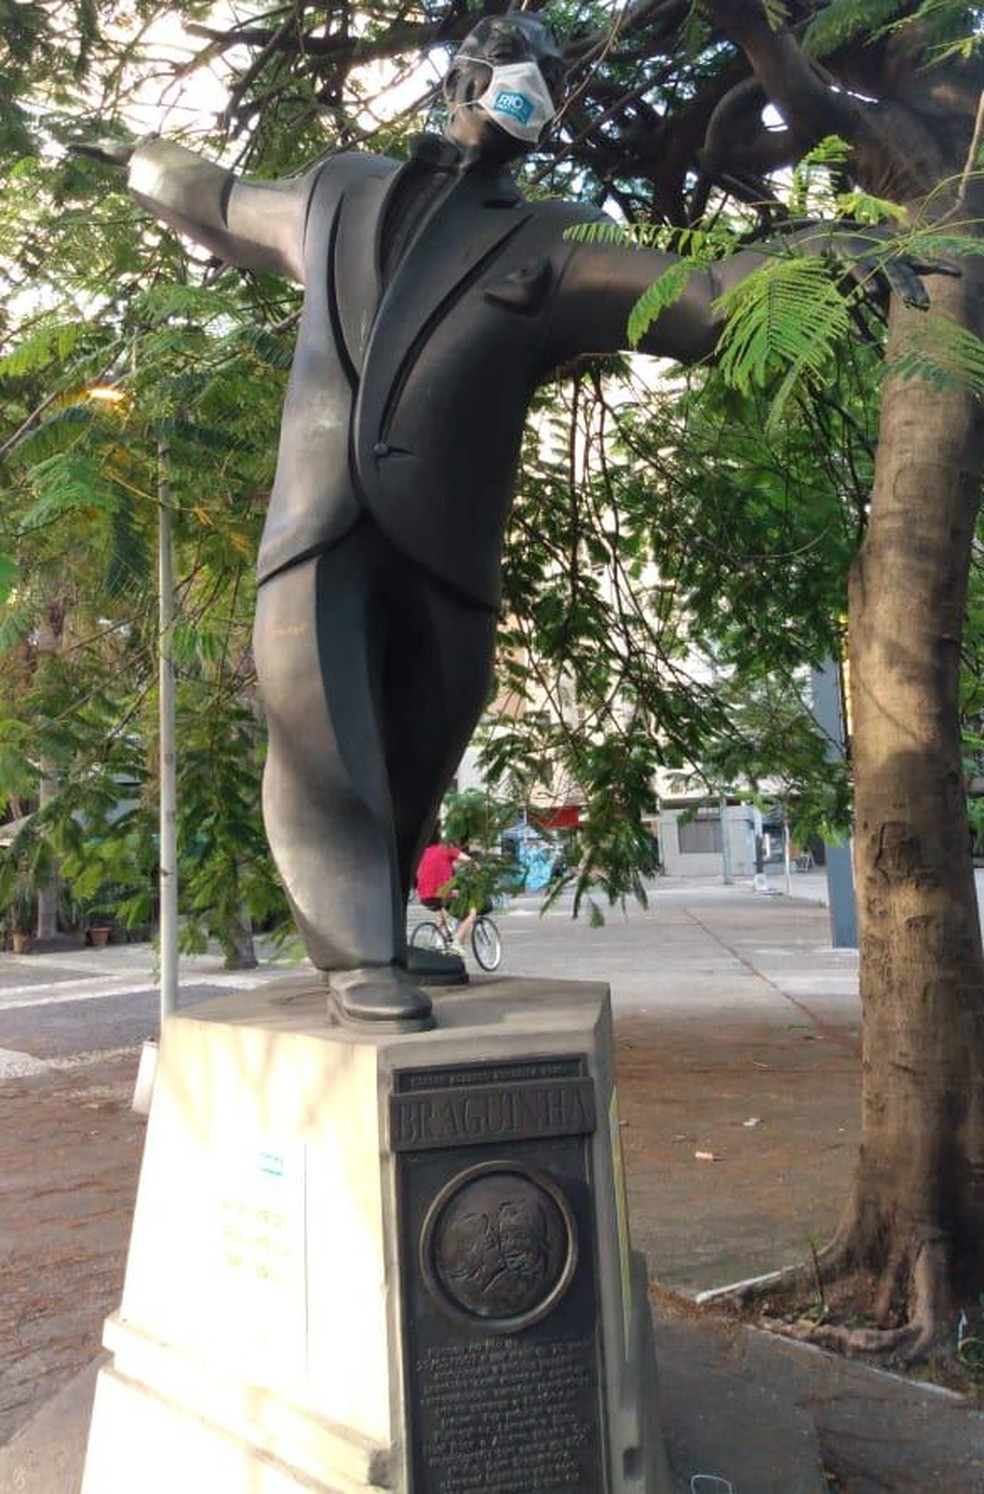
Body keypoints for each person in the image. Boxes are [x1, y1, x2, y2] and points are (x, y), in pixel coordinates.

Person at [75, 14, 943, 1031]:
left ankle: (385, 925)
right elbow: (218, 201)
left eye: (551, 74)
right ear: (462, 81)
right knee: (322, 728)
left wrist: (816, 256)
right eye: (513, 66)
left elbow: (702, 298)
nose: (530, 86)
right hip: (320, 520)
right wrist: (136, 156)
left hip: (446, 545)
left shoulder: (555, 235)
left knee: (429, 730)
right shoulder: (334, 192)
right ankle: (358, 953)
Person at [415, 832, 476, 955]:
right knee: (472, 912)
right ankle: (456, 943)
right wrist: (477, 867)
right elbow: (469, 861)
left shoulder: (421, 853)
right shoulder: (447, 849)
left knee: (441, 914)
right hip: (443, 894)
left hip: (424, 896)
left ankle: (439, 944)